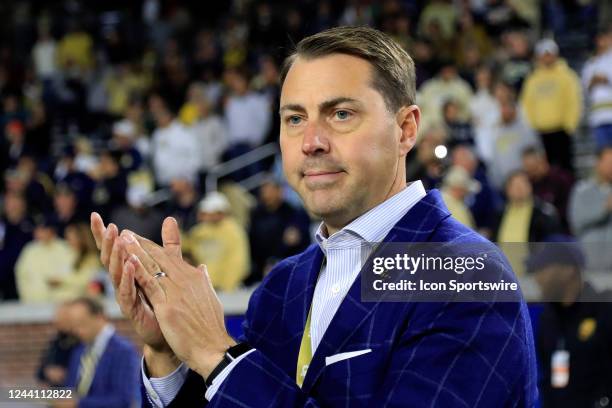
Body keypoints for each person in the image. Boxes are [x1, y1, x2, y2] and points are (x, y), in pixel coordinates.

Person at [91, 26, 537, 407]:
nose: (311, 142)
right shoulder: (280, 289)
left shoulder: (465, 275)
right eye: (294, 119)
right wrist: (168, 354)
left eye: (340, 114)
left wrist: (218, 355)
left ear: (406, 129)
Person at [527, 237, 612, 408]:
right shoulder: (547, 319)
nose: (537, 277)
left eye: (543, 268)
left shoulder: (604, 308)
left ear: (569, 270)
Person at [64, 297, 141, 408]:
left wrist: (79, 404)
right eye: (73, 326)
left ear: (100, 317)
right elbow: (70, 388)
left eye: (81, 323)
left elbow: (123, 400)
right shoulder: (79, 350)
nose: (76, 330)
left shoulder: (123, 351)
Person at [520, 38, 582, 174]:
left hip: (561, 129)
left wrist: (570, 125)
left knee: (565, 168)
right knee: (545, 170)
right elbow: (526, 104)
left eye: (549, 54)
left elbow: (573, 100)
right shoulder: (533, 79)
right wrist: (531, 126)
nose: (547, 57)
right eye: (544, 54)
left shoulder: (567, 75)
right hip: (541, 132)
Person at [183, 192, 250, 292]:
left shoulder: (233, 231)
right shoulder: (201, 230)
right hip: (205, 287)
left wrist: (228, 286)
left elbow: (238, 262)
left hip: (225, 289)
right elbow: (190, 249)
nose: (203, 216)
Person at [568, 146, 612, 270]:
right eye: (609, 162)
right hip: (590, 263)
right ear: (597, 163)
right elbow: (576, 223)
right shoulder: (581, 190)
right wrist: (604, 209)